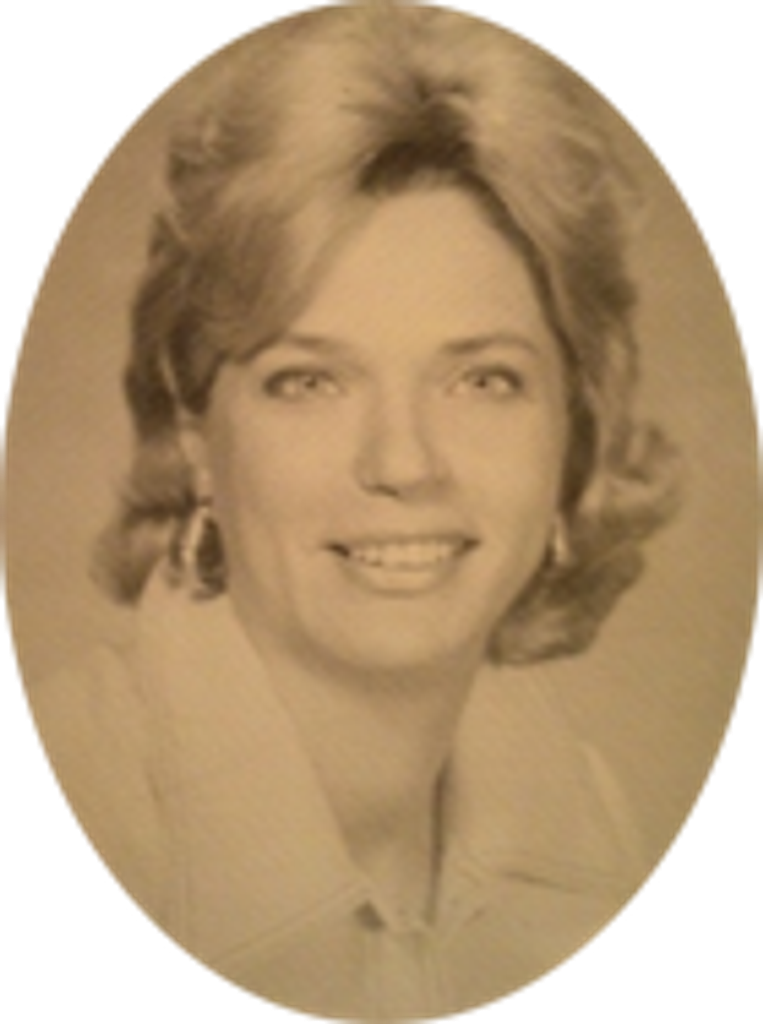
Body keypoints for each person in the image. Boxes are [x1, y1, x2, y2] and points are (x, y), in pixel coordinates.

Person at [24, 2, 680, 1019]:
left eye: (482, 379)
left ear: (574, 427)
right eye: (309, 381)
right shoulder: (86, 798)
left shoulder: (589, 826)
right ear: (195, 431)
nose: (402, 462)